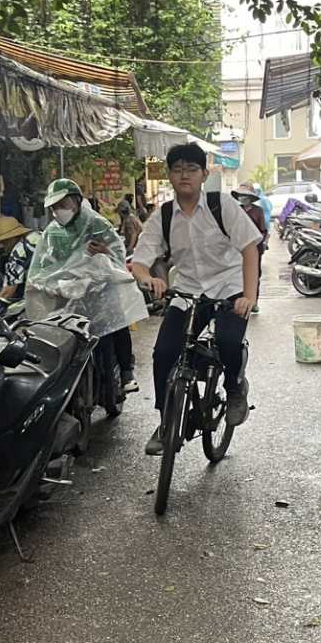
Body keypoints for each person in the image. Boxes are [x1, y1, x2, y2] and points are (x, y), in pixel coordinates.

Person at [130, 143, 261, 455]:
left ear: (204, 174)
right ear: (169, 176)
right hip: (188, 290)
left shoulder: (222, 205)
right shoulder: (162, 216)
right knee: (163, 352)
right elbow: (139, 262)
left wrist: (248, 296)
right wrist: (148, 278)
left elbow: (249, 249)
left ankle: (234, 388)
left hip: (229, 287)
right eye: (177, 169)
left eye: (191, 169)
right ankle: (165, 422)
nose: (183, 175)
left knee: (229, 341)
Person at [30, 178, 139, 392]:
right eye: (54, 207)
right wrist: (41, 281)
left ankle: (126, 372)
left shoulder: (97, 223)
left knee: (117, 323)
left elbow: (118, 254)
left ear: (76, 202)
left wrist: (105, 253)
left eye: (63, 205)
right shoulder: (51, 233)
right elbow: (41, 265)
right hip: (69, 293)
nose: (58, 210)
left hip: (101, 289)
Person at [233, 181, 269, 313]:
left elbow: (263, 230)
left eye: (245, 195)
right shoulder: (237, 210)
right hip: (238, 247)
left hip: (255, 247)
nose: (243, 198)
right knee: (239, 274)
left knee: (254, 274)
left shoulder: (258, 211)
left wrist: (261, 244)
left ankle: (254, 301)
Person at [0, 216, 41, 303]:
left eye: (4, 242)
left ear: (10, 238)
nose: (4, 246)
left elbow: (6, 293)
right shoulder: (38, 235)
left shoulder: (19, 253)